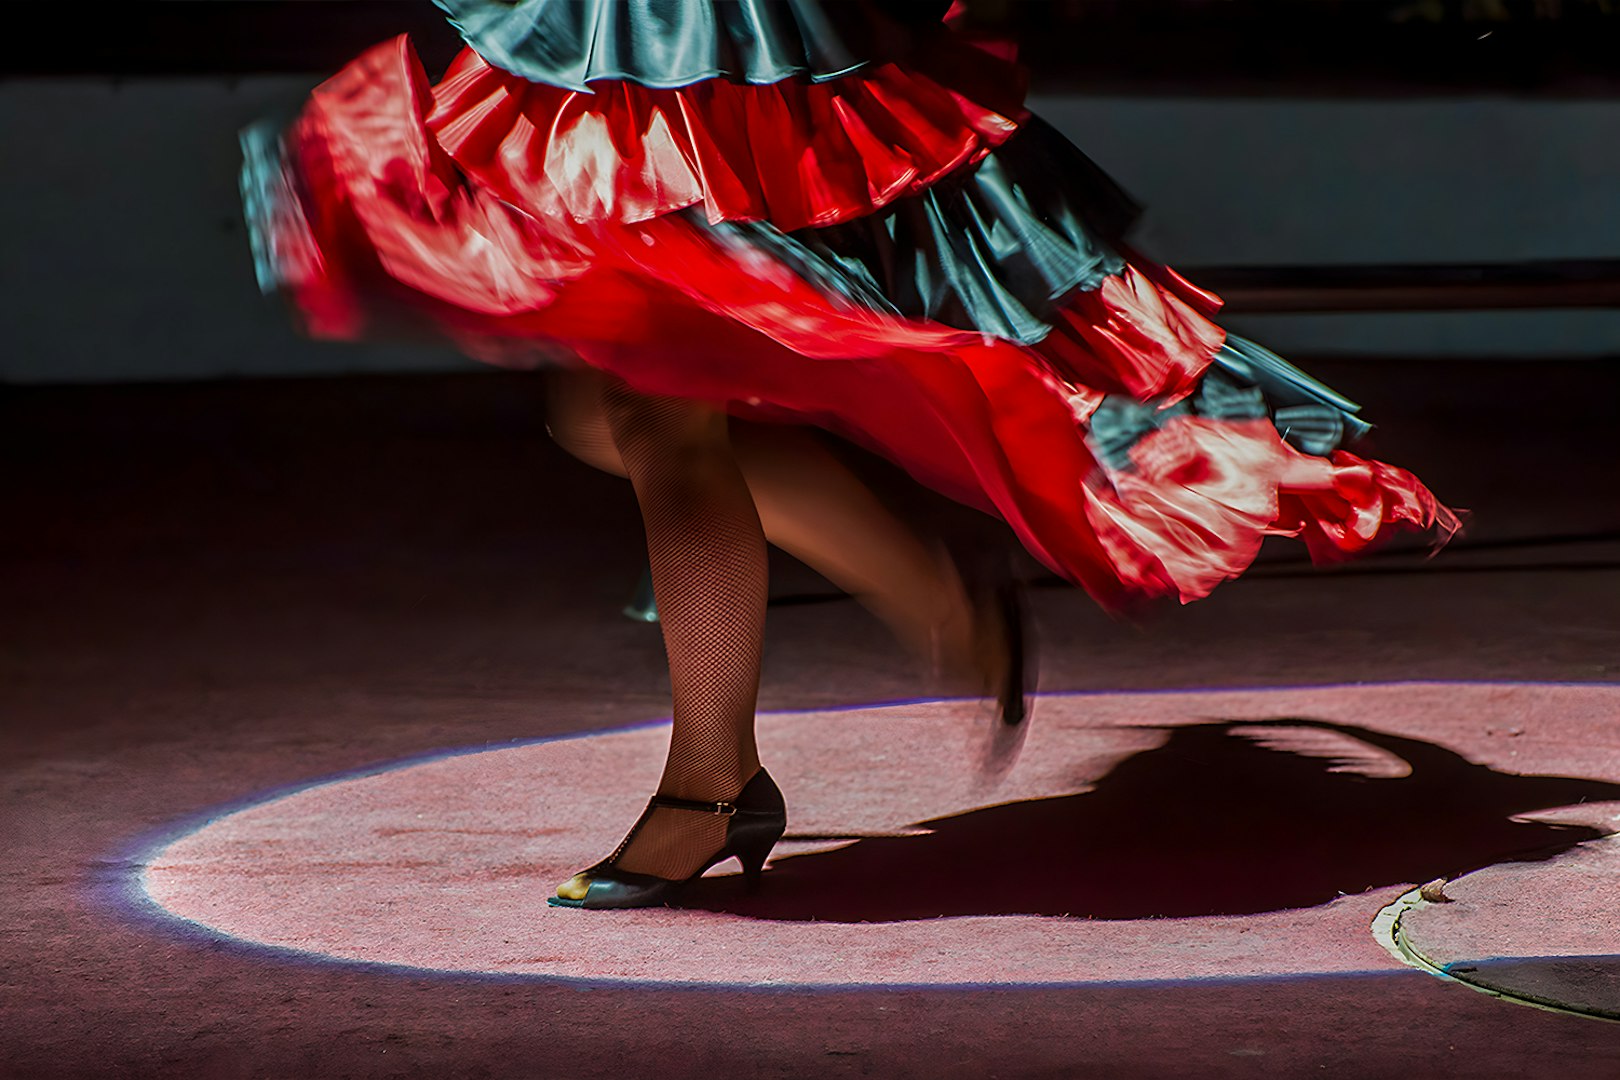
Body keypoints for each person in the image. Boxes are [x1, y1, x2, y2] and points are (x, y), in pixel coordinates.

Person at [241, 0, 1459, 910]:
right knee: (606, 415)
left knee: (658, 413)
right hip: (607, 29)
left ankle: (711, 784)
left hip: (713, 36)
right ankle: (926, 598)